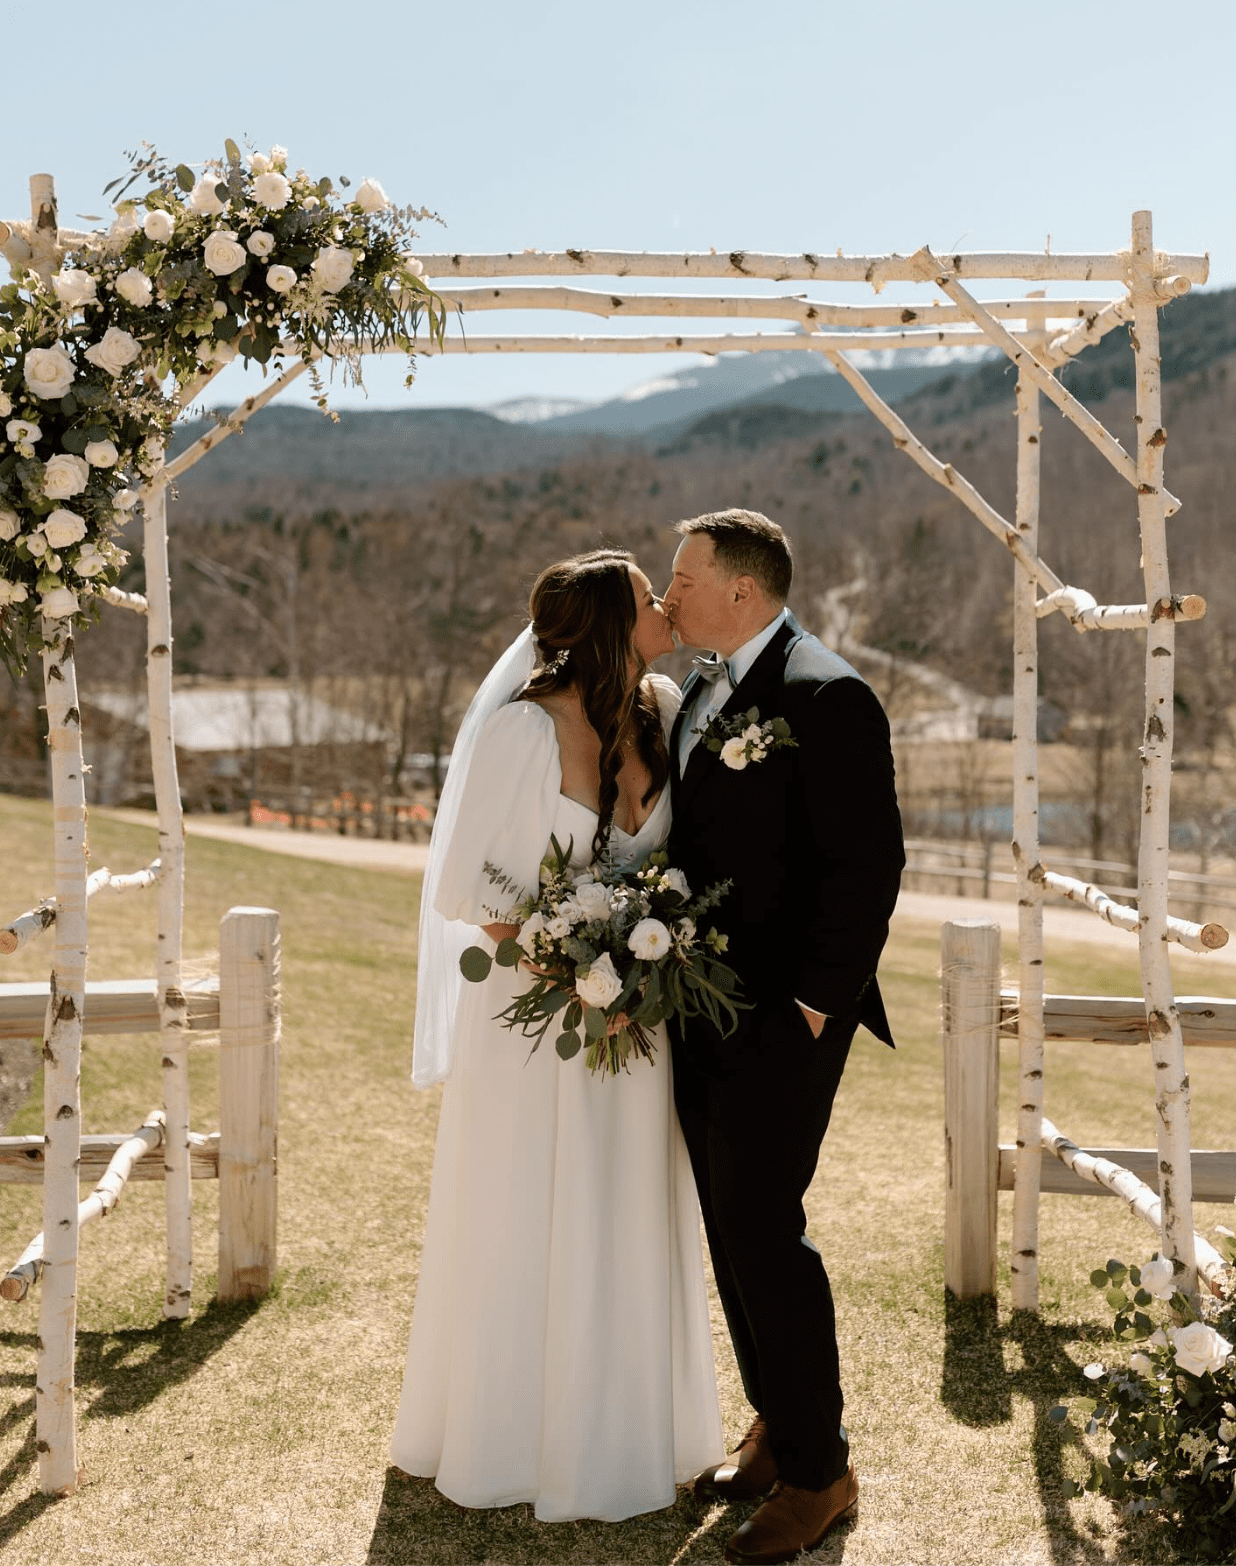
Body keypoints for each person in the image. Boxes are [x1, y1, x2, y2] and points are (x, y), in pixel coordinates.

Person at [390, 549, 723, 1522]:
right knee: (529, 1211)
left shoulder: (659, 708)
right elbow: (466, 890)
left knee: (621, 1210)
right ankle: (512, 1435)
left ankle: (623, 1427)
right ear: (608, 627)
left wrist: (641, 964)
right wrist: (570, 965)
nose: (665, 606)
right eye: (645, 599)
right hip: (537, 1029)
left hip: (638, 1032)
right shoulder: (519, 731)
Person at [662, 510, 904, 1566]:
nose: (669, 596)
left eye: (682, 578)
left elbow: (869, 867)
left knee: (766, 1228)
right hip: (697, 1008)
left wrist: (812, 1006)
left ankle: (821, 1474)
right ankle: (776, 1420)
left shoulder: (826, 693)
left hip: (784, 1019)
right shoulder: (704, 690)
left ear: (742, 593)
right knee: (726, 1223)